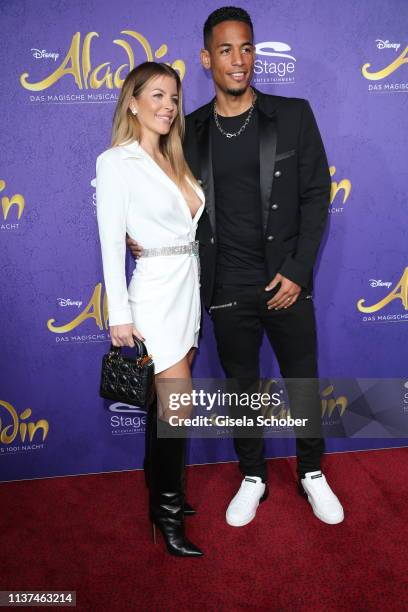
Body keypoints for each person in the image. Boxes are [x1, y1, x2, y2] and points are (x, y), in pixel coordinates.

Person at [128, 7, 344, 528]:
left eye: (246, 47)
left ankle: (313, 472)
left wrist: (297, 269)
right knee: (242, 388)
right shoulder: (190, 130)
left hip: (286, 281)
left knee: (302, 383)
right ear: (207, 59)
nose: (239, 59)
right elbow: (163, 196)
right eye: (225, 50)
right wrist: (147, 239)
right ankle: (253, 476)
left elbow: (317, 196)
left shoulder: (292, 115)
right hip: (224, 286)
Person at [96, 61, 205, 556]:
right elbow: (109, 242)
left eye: (174, 98)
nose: (167, 106)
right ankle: (166, 515)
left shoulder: (174, 157)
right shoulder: (116, 162)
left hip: (188, 293)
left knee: (167, 409)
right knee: (176, 408)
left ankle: (166, 497)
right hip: (154, 298)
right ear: (133, 101)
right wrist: (118, 313)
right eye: (157, 96)